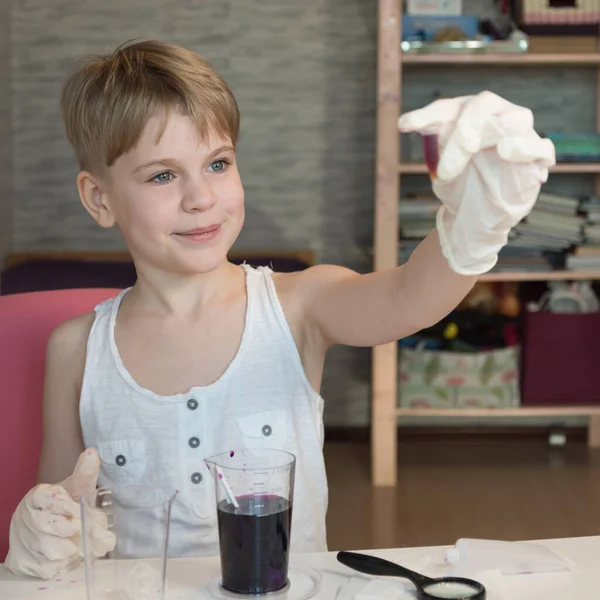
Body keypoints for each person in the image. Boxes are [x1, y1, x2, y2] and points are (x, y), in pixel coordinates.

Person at [5, 40, 555, 579]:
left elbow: (410, 299)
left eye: (217, 163)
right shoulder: (76, 348)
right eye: (163, 175)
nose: (201, 197)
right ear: (100, 198)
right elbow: (63, 508)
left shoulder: (299, 305)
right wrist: (40, 535)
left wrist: (475, 226)